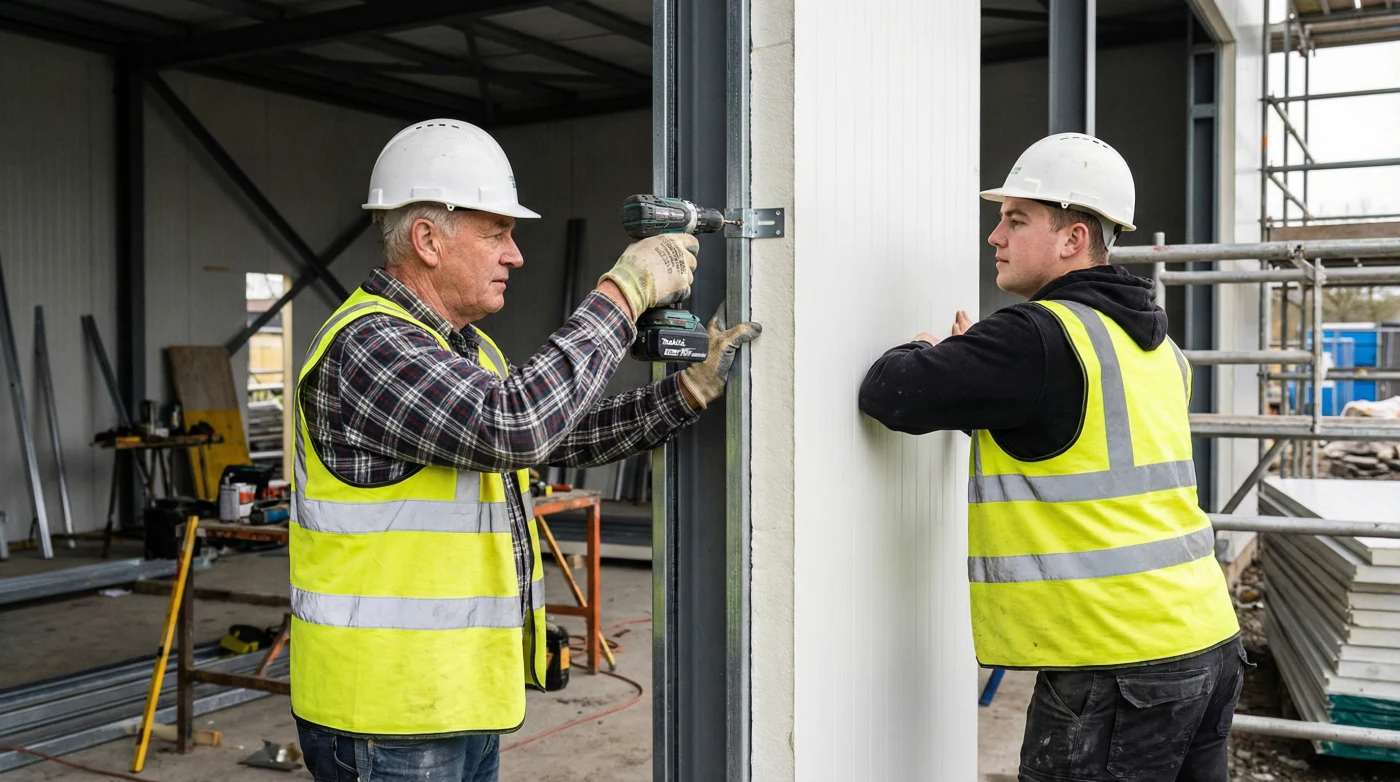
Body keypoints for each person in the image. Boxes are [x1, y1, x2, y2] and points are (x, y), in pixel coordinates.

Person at [290, 118, 760, 782]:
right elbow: (516, 425)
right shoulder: (370, 345)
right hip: (385, 716)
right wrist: (622, 293)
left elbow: (560, 432)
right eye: (497, 234)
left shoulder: (466, 351)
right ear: (427, 239)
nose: (515, 256)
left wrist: (688, 389)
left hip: (457, 700)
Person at [858, 133, 1246, 781]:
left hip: (1117, 666)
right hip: (1207, 641)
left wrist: (927, 351)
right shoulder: (1156, 348)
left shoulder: (1036, 337)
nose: (994, 237)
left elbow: (889, 393)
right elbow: (1071, 442)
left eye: (1016, 220)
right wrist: (983, 379)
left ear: (1073, 239)